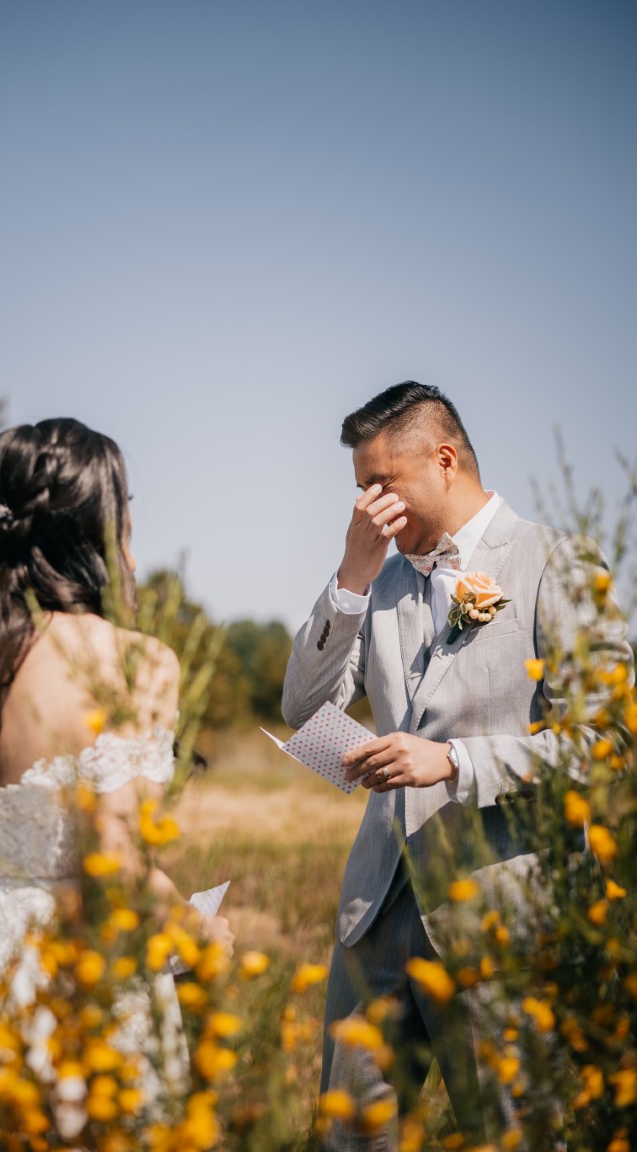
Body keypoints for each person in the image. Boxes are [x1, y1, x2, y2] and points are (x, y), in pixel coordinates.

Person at [282, 381, 632, 1149]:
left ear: (444, 461)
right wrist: (349, 576)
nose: (368, 505)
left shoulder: (555, 562)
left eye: (381, 484)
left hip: (499, 917)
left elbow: (612, 739)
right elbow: (302, 708)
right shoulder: (374, 579)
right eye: (358, 489)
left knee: (510, 1136)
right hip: (374, 916)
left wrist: (454, 762)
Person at [0, 418, 232, 1145]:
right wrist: (199, 934)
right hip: (84, 978)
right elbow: (117, 872)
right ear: (99, 527)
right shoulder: (136, 662)